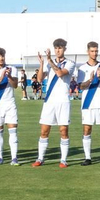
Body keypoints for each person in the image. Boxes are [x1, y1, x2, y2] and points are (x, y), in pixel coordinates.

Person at [33, 38, 73, 167]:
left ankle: (63, 160)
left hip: (63, 101)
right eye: (56, 48)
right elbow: (39, 79)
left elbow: (60, 73)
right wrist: (42, 63)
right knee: (44, 131)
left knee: (63, 130)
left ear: (65, 49)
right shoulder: (48, 63)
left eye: (60, 48)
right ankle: (40, 158)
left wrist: (50, 60)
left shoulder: (70, 63)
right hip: (49, 101)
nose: (58, 50)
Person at [75, 41, 100, 166]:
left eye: (96, 51)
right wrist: (90, 80)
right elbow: (80, 86)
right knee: (87, 130)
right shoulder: (82, 68)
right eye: (92, 51)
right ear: (88, 52)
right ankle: (88, 158)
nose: (94, 53)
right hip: (88, 104)